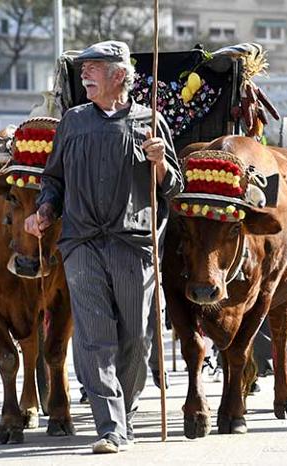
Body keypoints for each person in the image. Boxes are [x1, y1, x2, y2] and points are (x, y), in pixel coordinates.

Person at [24, 40, 183, 454]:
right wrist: (43, 209)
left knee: (136, 336)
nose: (84, 75)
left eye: (92, 67)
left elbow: (174, 188)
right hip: (81, 243)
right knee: (94, 337)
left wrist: (160, 162)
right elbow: (53, 179)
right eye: (82, 69)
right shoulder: (73, 122)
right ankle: (110, 425)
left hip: (132, 244)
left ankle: (124, 410)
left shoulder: (150, 123)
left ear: (118, 75)